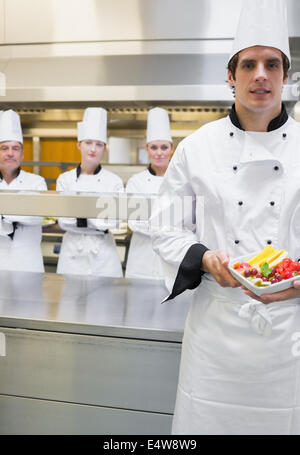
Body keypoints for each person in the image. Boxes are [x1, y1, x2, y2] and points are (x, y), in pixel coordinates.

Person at [151, 0, 300, 435]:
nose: (260, 75)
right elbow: (165, 228)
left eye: (272, 64)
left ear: (285, 77)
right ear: (230, 76)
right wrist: (204, 257)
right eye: (249, 64)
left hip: (289, 336)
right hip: (216, 334)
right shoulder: (198, 147)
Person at [56, 107, 123, 277]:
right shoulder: (65, 180)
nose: (93, 149)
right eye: (88, 143)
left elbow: (114, 221)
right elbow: (64, 221)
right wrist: (97, 218)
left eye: (99, 144)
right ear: (78, 144)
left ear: (104, 148)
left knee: (106, 302)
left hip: (104, 253)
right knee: (70, 302)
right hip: (72, 252)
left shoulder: (114, 181)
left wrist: (79, 216)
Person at [125, 107, 174, 279]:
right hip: (141, 258)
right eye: (154, 147)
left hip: (170, 255)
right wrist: (167, 225)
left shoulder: (181, 180)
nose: (159, 153)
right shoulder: (135, 182)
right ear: (147, 149)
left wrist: (151, 223)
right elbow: (133, 222)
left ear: (171, 149)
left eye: (163, 147)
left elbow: (187, 221)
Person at [0, 109, 47, 272]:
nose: (10, 153)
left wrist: (3, 215)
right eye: (4, 148)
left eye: (15, 148)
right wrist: (22, 211)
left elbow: (37, 216)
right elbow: (29, 214)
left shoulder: (36, 182)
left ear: (22, 154)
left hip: (28, 263)